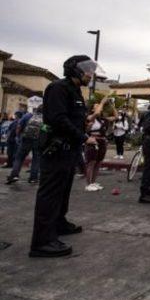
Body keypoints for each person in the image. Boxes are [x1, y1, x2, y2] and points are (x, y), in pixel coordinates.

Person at [29, 55, 98, 258]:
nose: (90, 74)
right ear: (75, 70)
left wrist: (84, 123)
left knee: (63, 191)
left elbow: (73, 118)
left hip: (69, 150)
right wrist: (84, 137)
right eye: (87, 70)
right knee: (49, 195)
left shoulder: (75, 91)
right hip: (57, 148)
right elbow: (58, 119)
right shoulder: (58, 87)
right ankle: (42, 242)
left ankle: (59, 224)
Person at [6, 105, 44, 184]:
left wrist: (18, 136)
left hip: (26, 139)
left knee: (19, 158)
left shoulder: (28, 116)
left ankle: (14, 175)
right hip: (38, 141)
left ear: (36, 109)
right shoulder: (46, 118)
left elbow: (19, 126)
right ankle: (33, 178)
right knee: (36, 159)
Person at [83, 97, 114, 192]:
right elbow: (96, 113)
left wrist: (111, 105)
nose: (99, 108)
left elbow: (115, 117)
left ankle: (93, 182)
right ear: (92, 109)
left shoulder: (102, 119)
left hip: (102, 141)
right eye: (96, 107)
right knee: (91, 162)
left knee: (98, 162)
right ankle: (88, 184)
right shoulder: (90, 117)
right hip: (93, 141)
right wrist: (102, 102)